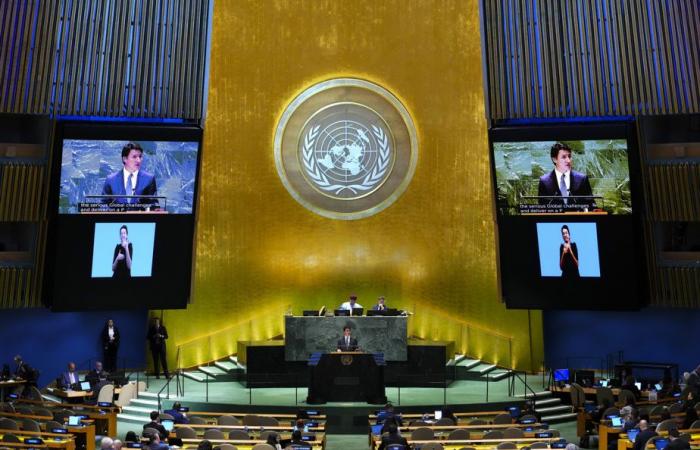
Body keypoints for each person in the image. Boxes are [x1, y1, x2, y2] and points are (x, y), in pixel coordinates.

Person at [102, 142, 158, 207]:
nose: (138, 160)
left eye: (140, 156)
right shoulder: (111, 180)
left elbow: (154, 206)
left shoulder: (149, 179)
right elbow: (103, 205)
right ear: (125, 159)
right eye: (134, 157)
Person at [538, 142, 593, 206]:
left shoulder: (582, 179)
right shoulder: (544, 181)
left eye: (569, 156)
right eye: (564, 157)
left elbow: (591, 205)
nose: (568, 160)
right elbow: (542, 208)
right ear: (555, 159)